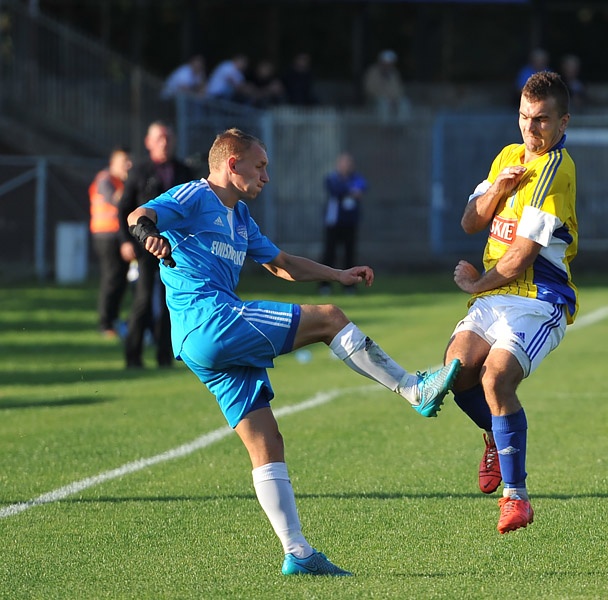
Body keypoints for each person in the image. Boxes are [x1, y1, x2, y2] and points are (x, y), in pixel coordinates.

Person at [125, 127, 460, 576]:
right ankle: (412, 388)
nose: (266, 176)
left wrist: (338, 272)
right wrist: (149, 234)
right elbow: (137, 214)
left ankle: (297, 553)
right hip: (212, 321)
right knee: (329, 318)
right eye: (260, 166)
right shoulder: (194, 195)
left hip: (201, 343)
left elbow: (280, 264)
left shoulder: (240, 218)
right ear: (232, 164)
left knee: (267, 441)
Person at [439, 71, 578, 534]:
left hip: (539, 298)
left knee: (496, 377)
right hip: (496, 295)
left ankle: (515, 497)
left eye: (541, 120)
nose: (530, 129)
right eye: (524, 117)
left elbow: (521, 257)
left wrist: (477, 284)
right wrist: (499, 187)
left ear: (562, 123)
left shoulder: (558, 168)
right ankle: (497, 440)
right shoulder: (508, 156)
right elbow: (468, 221)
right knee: (455, 373)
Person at [118, 121, 194, 368]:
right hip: (144, 247)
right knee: (142, 302)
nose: (165, 142)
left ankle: (165, 356)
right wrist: (125, 241)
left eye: (169, 137)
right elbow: (124, 209)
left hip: (174, 250)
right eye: (160, 138)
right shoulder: (140, 171)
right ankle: (133, 357)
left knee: (169, 303)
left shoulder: (184, 171)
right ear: (149, 142)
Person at [89, 146, 132, 338]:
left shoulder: (118, 181)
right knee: (112, 279)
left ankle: (112, 321)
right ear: (113, 163)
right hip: (106, 236)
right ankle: (105, 323)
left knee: (120, 279)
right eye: (125, 162)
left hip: (117, 236)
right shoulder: (105, 180)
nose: (128, 166)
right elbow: (118, 202)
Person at [319, 152, 367, 295]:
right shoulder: (332, 178)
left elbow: (363, 185)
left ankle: (350, 286)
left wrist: (351, 189)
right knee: (329, 254)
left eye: (349, 163)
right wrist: (351, 190)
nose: (346, 166)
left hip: (350, 223)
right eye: (344, 163)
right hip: (333, 223)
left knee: (349, 254)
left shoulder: (355, 178)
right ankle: (325, 285)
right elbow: (336, 190)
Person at [362, 49, 411, 122]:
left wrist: (395, 99)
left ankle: (402, 126)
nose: (388, 66)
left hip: (394, 100)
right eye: (386, 63)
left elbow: (399, 89)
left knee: (405, 103)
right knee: (383, 104)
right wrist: (387, 98)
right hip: (377, 100)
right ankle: (385, 127)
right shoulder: (372, 72)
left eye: (390, 63)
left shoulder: (394, 73)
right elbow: (369, 89)